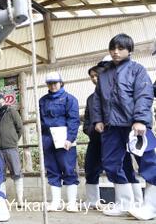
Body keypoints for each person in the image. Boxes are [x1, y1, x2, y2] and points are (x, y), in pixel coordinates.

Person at [93, 33, 156, 220]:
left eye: (120, 48)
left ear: (130, 50)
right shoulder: (103, 75)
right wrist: (98, 120)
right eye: (112, 48)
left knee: (148, 162)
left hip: (134, 125)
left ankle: (151, 206)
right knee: (111, 163)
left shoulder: (138, 70)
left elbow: (144, 95)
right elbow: (97, 100)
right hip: (111, 126)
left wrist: (140, 120)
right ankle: (124, 203)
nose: (115, 52)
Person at [83, 65, 142, 209]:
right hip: (96, 139)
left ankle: (135, 201)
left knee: (125, 166)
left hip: (116, 136)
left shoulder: (118, 93)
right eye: (92, 77)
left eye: (96, 75)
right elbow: (87, 119)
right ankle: (92, 200)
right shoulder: (91, 99)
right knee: (90, 168)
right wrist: (91, 129)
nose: (94, 79)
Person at [39, 72, 80, 212]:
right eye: (50, 83)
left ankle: (72, 203)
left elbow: (74, 120)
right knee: (52, 170)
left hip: (64, 139)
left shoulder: (70, 99)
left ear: (61, 83)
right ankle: (55, 202)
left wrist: (70, 138)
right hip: (48, 139)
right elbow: (40, 122)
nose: (53, 86)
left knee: (68, 169)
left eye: (55, 83)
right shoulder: (42, 100)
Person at [0, 93, 24, 208]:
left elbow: (20, 128)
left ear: (4, 100)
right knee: (0, 175)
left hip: (11, 148)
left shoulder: (12, 112)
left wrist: (13, 141)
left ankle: (20, 201)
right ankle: (2, 201)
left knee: (17, 173)